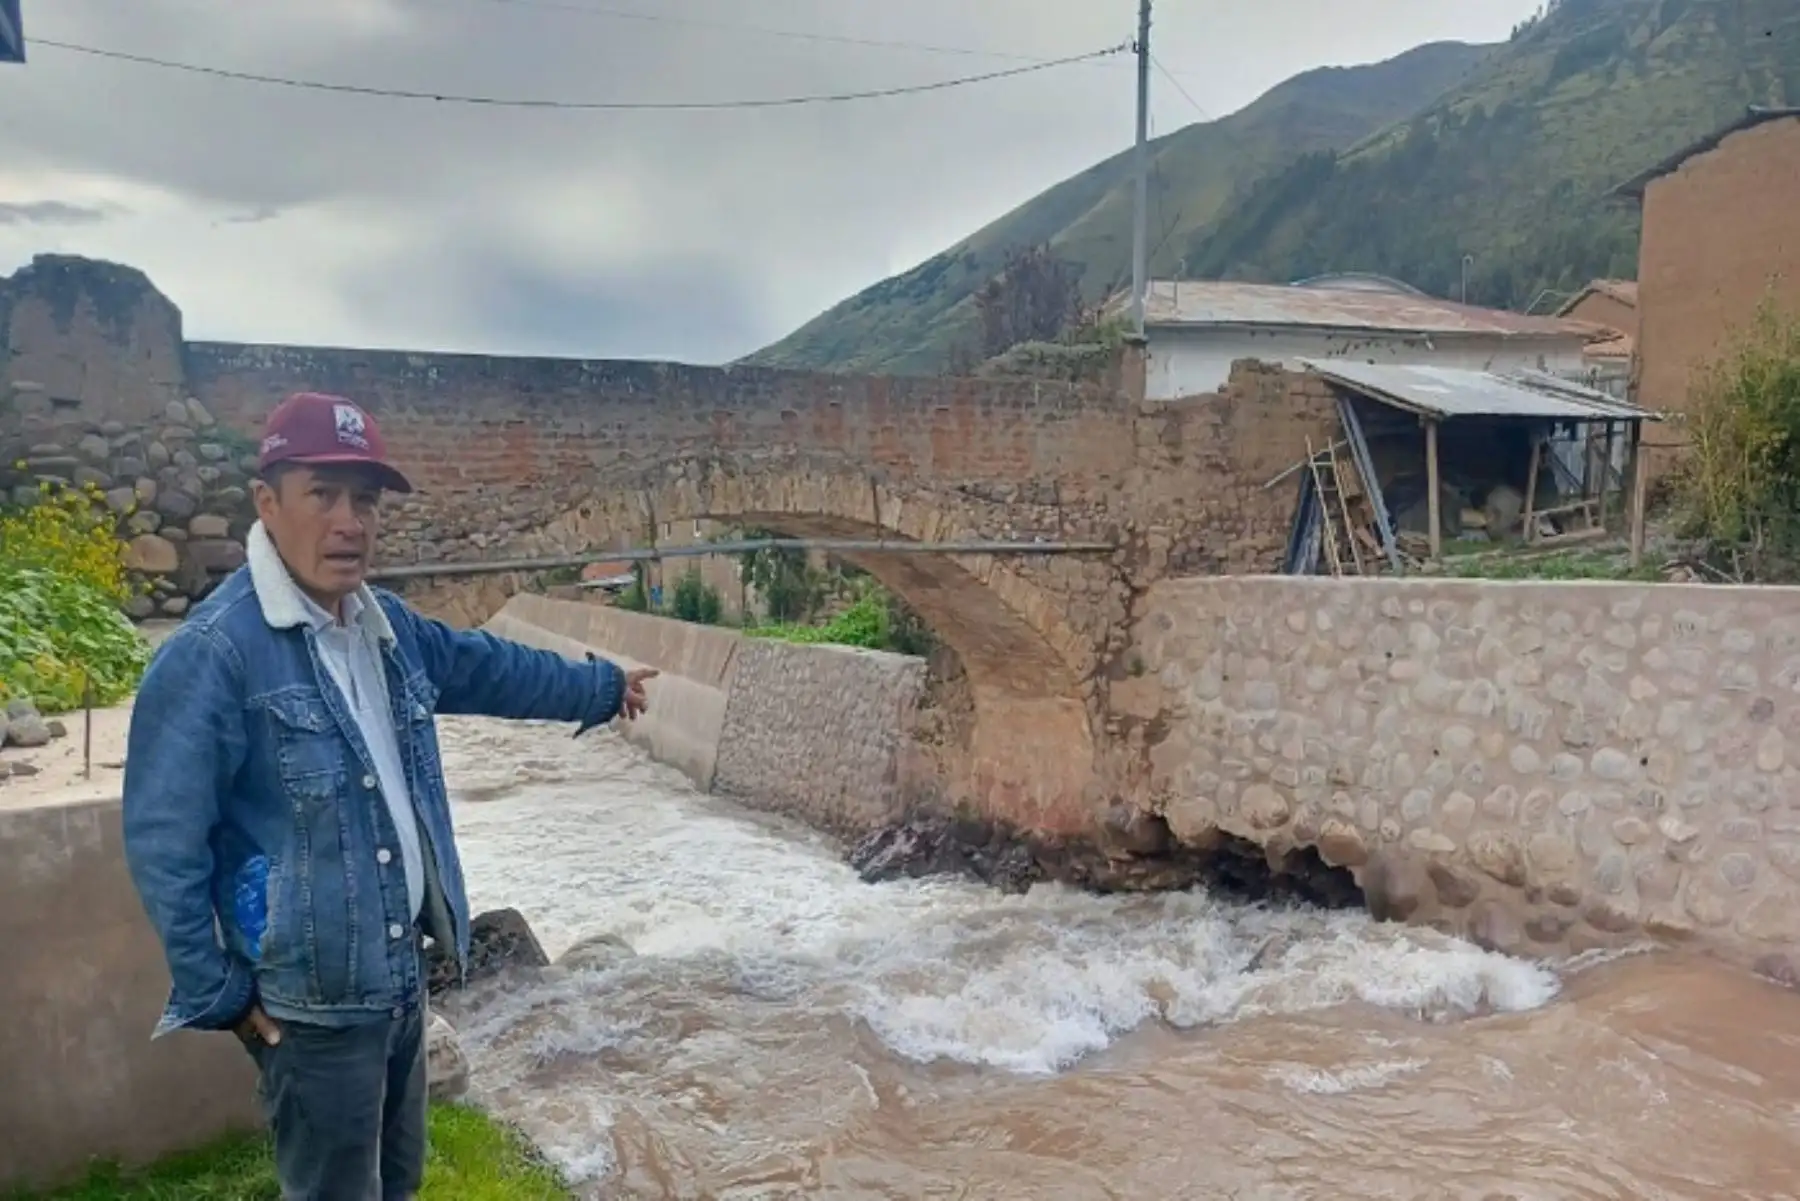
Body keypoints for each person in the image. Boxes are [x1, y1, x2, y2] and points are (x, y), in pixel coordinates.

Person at [121, 390, 656, 1201]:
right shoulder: (215, 654)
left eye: (365, 499)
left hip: (402, 978)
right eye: (323, 495)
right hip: (312, 1006)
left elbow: (490, 667)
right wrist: (221, 992)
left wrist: (600, 685)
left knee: (398, 1184)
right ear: (267, 503)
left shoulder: (386, 627)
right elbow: (163, 839)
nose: (350, 521)